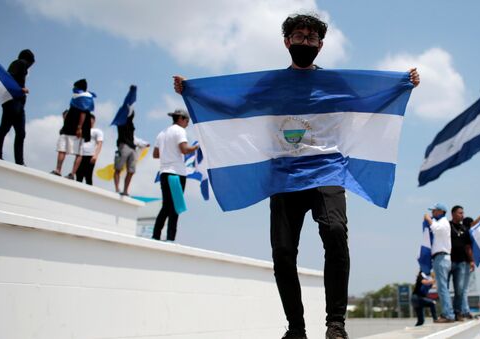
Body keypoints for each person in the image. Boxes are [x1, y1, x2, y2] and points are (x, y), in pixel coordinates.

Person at [173, 13, 420, 339]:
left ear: (320, 45)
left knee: (334, 231)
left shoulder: (334, 84)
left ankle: (336, 324)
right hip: (284, 174)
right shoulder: (270, 84)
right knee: (283, 252)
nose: (306, 42)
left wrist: (402, 85)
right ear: (287, 42)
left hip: (326, 169)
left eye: (312, 38)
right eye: (299, 36)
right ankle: (296, 328)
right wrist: (193, 92)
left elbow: (368, 102)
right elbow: (234, 106)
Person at [152, 109, 198, 241]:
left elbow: (155, 154)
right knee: (175, 207)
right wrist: (196, 147)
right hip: (176, 173)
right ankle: (170, 238)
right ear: (181, 119)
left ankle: (156, 235)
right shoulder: (180, 131)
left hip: (164, 173)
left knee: (166, 206)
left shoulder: (161, 133)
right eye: (187, 121)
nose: (187, 124)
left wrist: (168, 152)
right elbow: (184, 150)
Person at [0, 49, 35, 165]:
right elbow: (8, 79)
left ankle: (19, 161)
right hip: (12, 101)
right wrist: (20, 89)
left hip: (19, 103)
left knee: (21, 133)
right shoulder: (19, 63)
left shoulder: (23, 67)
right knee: (5, 128)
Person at [51, 79, 93, 179]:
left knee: (78, 152)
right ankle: (58, 170)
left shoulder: (83, 98)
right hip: (68, 127)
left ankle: (72, 173)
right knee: (62, 149)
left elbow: (83, 113)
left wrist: (79, 127)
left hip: (78, 130)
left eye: (75, 87)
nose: (73, 88)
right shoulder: (77, 97)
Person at [424, 203, 454, 323]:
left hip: (441, 257)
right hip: (440, 258)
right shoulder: (441, 221)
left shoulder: (443, 222)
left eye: (434, 211)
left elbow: (436, 229)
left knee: (442, 289)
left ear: (441, 211)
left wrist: (428, 220)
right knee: (443, 288)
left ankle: (448, 314)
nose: (432, 213)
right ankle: (447, 313)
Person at [114, 104, 149, 196]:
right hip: (123, 145)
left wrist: (143, 143)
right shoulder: (120, 121)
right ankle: (117, 189)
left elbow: (134, 138)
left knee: (131, 171)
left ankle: (125, 191)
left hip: (132, 147)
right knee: (118, 168)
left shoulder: (131, 124)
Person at [459, 212, 480, 320]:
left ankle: (462, 310)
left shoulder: (462, 231)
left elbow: (474, 222)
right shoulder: (467, 233)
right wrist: (471, 261)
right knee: (464, 289)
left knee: (462, 289)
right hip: (464, 262)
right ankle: (465, 310)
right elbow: (468, 248)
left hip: (460, 261)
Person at [75, 114, 103, 185]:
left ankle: (90, 193)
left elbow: (100, 144)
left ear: (94, 120)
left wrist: (95, 156)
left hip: (90, 155)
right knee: (78, 174)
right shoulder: (82, 131)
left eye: (91, 119)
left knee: (88, 175)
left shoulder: (97, 131)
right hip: (80, 155)